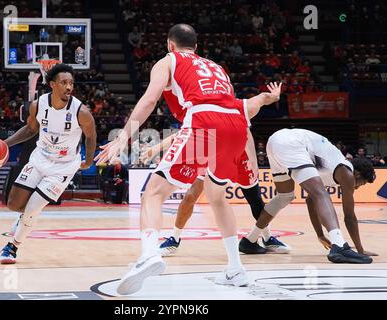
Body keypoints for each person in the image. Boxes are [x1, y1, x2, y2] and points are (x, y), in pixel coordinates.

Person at [95, 23, 282, 295]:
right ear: (197, 46)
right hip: (237, 127)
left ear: (170, 44)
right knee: (217, 196)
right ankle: (235, 268)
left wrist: (124, 136)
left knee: (153, 193)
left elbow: (150, 99)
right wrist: (271, 96)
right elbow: (251, 103)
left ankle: (149, 255)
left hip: (205, 123)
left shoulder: (169, 60)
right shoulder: (217, 68)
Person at [140, 102, 289, 256]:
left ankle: (267, 237)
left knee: (255, 200)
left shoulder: (233, 107)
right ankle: (174, 239)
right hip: (214, 153)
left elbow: (246, 133)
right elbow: (183, 134)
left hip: (240, 154)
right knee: (191, 196)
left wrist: (253, 160)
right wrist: (155, 148)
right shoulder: (202, 110)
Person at [0, 63, 97, 264]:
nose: (69, 87)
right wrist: (5, 144)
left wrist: (87, 161)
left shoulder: (81, 111)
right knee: (14, 204)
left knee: (34, 208)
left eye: (71, 83)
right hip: (39, 158)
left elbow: (91, 136)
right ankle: (22, 218)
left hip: (64, 166)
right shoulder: (38, 105)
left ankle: (12, 247)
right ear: (52, 84)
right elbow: (30, 129)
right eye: (64, 83)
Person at [242, 128, 376, 264]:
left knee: (285, 195)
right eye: (361, 184)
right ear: (357, 174)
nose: (357, 187)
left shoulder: (333, 167)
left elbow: (311, 201)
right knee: (322, 194)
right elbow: (350, 217)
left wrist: (320, 235)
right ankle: (340, 245)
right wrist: (360, 250)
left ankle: (250, 240)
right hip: (292, 143)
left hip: (274, 142)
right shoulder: (347, 172)